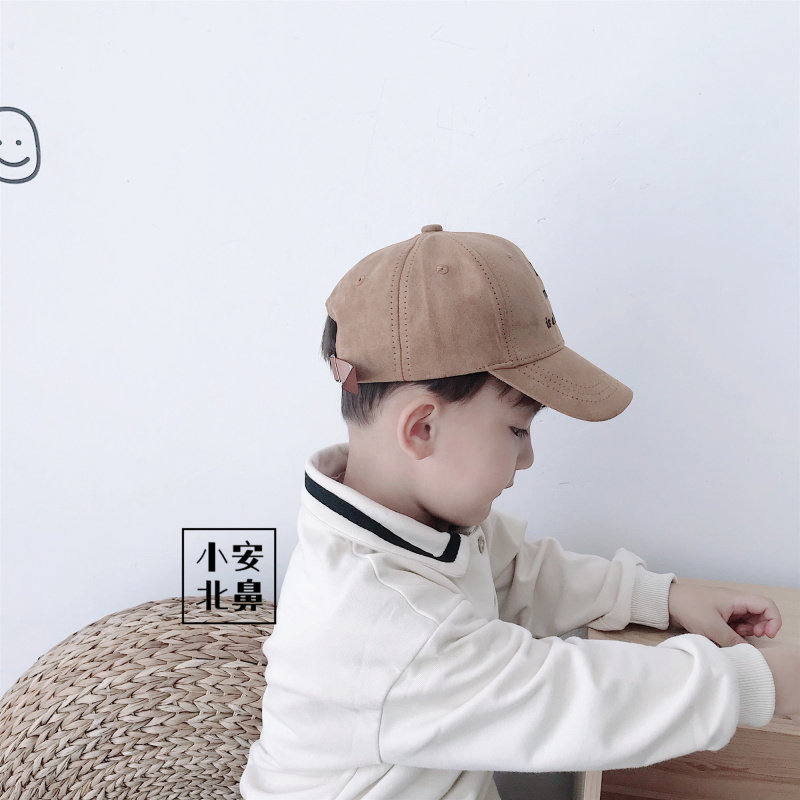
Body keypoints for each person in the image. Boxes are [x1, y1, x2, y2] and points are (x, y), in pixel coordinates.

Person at [239, 224, 799, 800]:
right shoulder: (380, 624)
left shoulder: (416, 525)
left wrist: (661, 596)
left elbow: (515, 572)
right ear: (423, 428)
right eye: (517, 430)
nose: (528, 458)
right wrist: (760, 682)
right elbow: (571, 702)